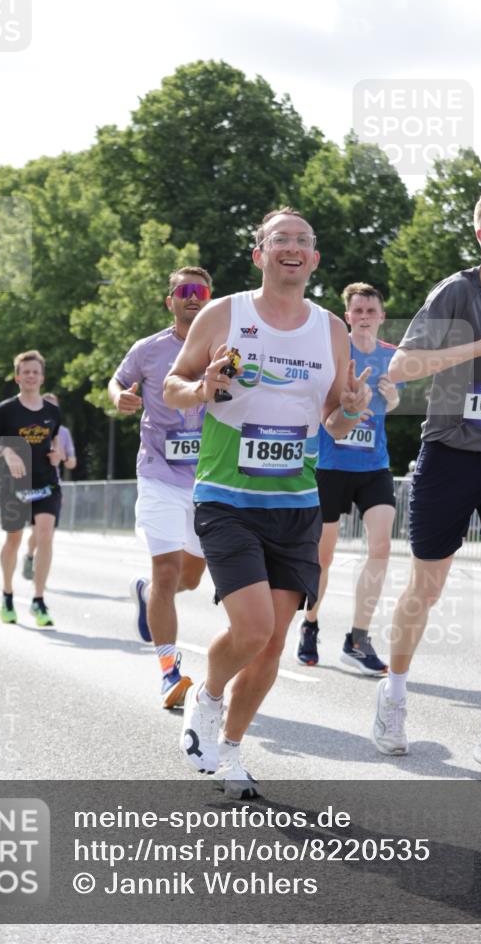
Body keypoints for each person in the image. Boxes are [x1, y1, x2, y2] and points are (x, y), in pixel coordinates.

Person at [164, 208, 372, 798]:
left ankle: (229, 750)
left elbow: (335, 417)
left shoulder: (330, 329)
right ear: (259, 254)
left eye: (303, 242)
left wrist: (351, 408)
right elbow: (173, 385)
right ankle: (206, 698)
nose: (292, 248)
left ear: (314, 260)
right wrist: (203, 387)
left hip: (295, 501)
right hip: (227, 496)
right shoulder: (225, 313)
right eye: (280, 239)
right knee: (252, 629)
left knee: (275, 642)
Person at [371, 184, 481, 777]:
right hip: (448, 454)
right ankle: (393, 694)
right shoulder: (456, 291)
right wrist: (479, 343)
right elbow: (402, 368)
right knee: (427, 588)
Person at [108, 267, 213, 709]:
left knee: (189, 578)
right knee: (168, 571)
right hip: (159, 474)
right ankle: (169, 671)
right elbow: (116, 381)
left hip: (209, 479)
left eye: (201, 291)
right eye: (184, 291)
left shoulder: (228, 348)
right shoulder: (148, 350)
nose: (193, 298)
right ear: (169, 300)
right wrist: (120, 398)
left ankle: (147, 595)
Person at [296, 283, 401, 673]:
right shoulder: (336, 353)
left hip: (374, 466)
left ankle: (357, 638)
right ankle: (310, 625)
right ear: (347, 315)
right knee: (323, 556)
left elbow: (397, 400)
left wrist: (393, 400)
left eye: (371, 311)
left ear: (382, 316)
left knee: (381, 548)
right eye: (357, 311)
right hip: (330, 465)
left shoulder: (393, 357)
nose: (364, 317)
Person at [0, 350, 63, 627]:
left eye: (35, 371)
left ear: (42, 377)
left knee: (45, 535)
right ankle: (7, 595)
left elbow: (56, 440)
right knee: (13, 540)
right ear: (18, 377)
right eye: (26, 371)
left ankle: (38, 600)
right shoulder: (6, 410)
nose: (31, 376)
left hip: (46, 484)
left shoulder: (53, 412)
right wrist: (6, 452)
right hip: (14, 486)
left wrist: (57, 454)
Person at [22, 392, 77, 580]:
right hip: (32, 484)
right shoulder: (31, 427)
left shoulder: (64, 433)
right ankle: (30, 555)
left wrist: (64, 458)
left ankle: (40, 575)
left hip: (53, 486)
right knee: (37, 533)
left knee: (48, 534)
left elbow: (72, 463)